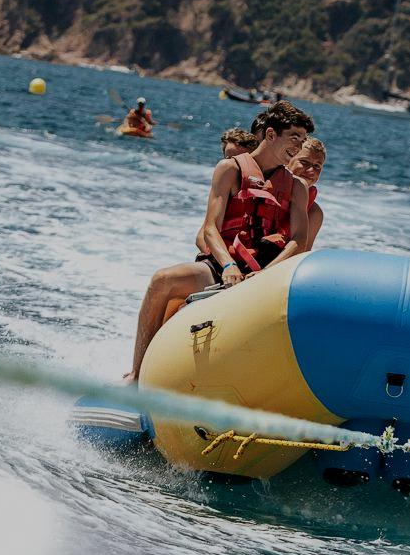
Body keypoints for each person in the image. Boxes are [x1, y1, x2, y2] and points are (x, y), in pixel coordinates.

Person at [128, 101, 316, 380]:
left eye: (302, 139)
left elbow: (299, 240)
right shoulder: (229, 169)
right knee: (162, 280)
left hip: (266, 274)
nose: (299, 146)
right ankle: (137, 375)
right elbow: (210, 228)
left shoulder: (297, 187)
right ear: (271, 134)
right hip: (222, 267)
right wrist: (229, 266)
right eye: (294, 137)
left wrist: (265, 274)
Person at [288, 138, 327, 252]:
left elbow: (300, 254)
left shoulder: (314, 213)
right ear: (287, 159)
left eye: (317, 166)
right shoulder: (265, 188)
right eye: (304, 162)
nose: (311, 171)